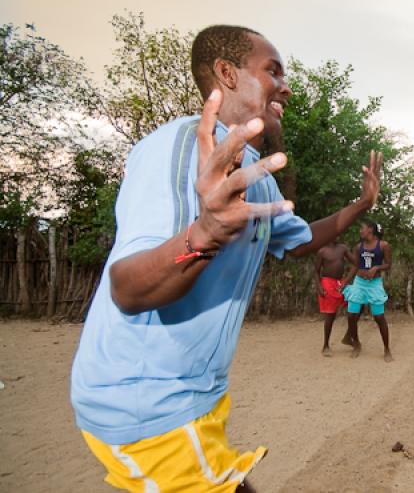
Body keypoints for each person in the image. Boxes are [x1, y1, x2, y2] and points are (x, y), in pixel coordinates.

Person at [70, 25, 382, 493]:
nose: (287, 86)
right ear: (226, 74)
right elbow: (129, 289)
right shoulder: (181, 148)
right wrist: (207, 232)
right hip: (148, 402)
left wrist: (361, 205)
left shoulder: (255, 175)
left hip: (195, 397)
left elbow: (296, 242)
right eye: (272, 70)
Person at [342, 219, 393, 362]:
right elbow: (355, 266)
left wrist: (377, 268)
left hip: (374, 284)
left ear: (370, 229)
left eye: (362, 228)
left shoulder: (384, 245)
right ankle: (356, 344)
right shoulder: (358, 247)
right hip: (359, 283)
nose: (360, 231)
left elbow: (388, 264)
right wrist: (346, 281)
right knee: (351, 315)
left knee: (379, 317)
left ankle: (387, 349)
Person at [316, 239, 352, 356]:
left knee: (355, 305)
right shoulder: (322, 251)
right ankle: (325, 345)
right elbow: (316, 271)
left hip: (340, 283)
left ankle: (349, 336)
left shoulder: (343, 248)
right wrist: (319, 286)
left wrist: (346, 280)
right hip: (327, 283)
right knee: (330, 315)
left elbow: (355, 263)